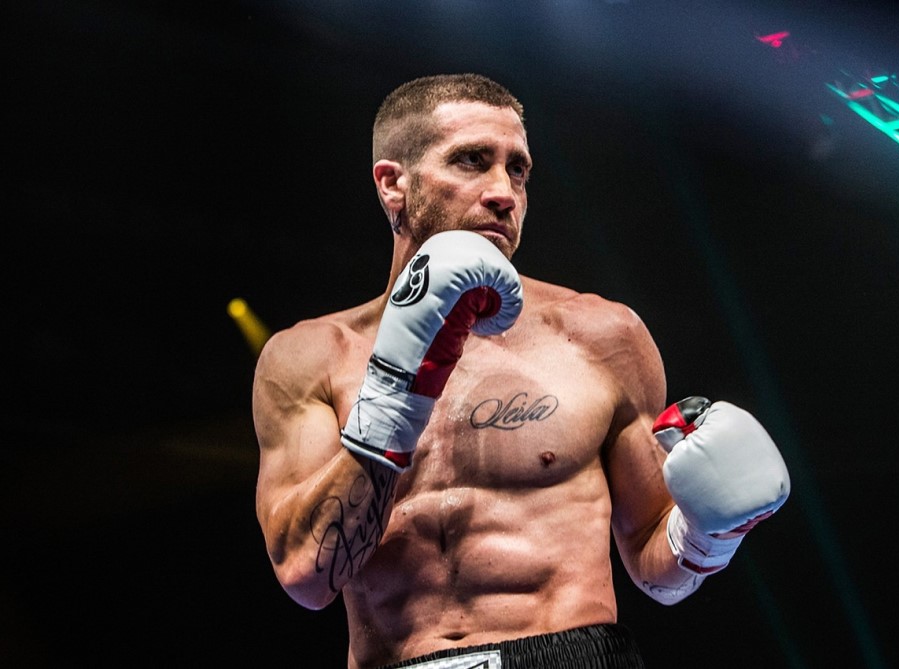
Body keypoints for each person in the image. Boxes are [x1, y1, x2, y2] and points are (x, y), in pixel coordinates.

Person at [252, 73, 791, 669]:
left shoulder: (601, 335)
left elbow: (652, 563)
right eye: (471, 160)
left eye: (518, 170)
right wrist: (396, 392)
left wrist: (709, 536)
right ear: (393, 184)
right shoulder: (308, 356)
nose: (503, 192)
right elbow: (306, 576)